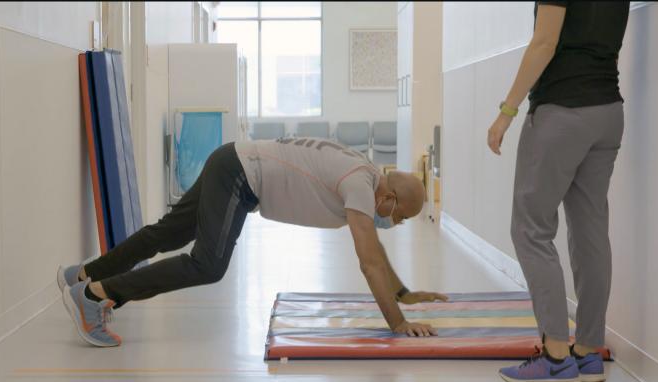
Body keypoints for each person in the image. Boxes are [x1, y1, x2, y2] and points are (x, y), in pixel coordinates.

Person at [57, 137, 448, 347]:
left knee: (167, 233)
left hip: (233, 160)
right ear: (389, 199)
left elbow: (375, 255)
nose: (395, 223)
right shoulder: (361, 186)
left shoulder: (361, 171)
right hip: (240, 176)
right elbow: (369, 261)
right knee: (207, 264)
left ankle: (84, 273)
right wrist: (398, 323)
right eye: (401, 216)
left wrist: (402, 292)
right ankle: (93, 296)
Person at [489, 2, 630, 382]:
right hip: (608, 112)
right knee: (590, 234)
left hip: (562, 111)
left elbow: (544, 42)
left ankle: (554, 356)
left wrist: (507, 110)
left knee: (531, 229)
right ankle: (587, 353)